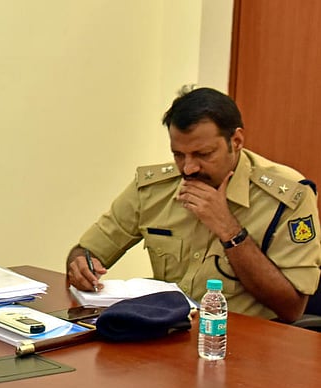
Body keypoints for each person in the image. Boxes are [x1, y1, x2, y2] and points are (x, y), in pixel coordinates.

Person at [67, 87, 321, 322]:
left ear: (236, 141)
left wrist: (230, 232)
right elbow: (85, 251)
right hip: (166, 336)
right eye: (178, 154)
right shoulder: (153, 188)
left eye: (203, 154)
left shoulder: (288, 196)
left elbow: (292, 309)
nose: (188, 168)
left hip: (242, 346)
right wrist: (81, 265)